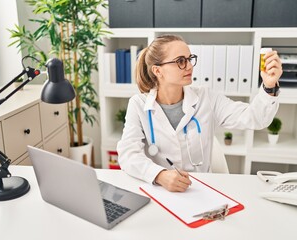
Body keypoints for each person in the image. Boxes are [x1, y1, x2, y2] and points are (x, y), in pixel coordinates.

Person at [117, 35, 282, 192]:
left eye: (189, 59)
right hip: (160, 189)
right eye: (180, 61)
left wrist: (269, 86)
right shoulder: (138, 105)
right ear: (158, 71)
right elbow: (128, 154)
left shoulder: (206, 98)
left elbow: (254, 118)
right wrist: (159, 175)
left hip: (201, 189)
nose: (189, 66)